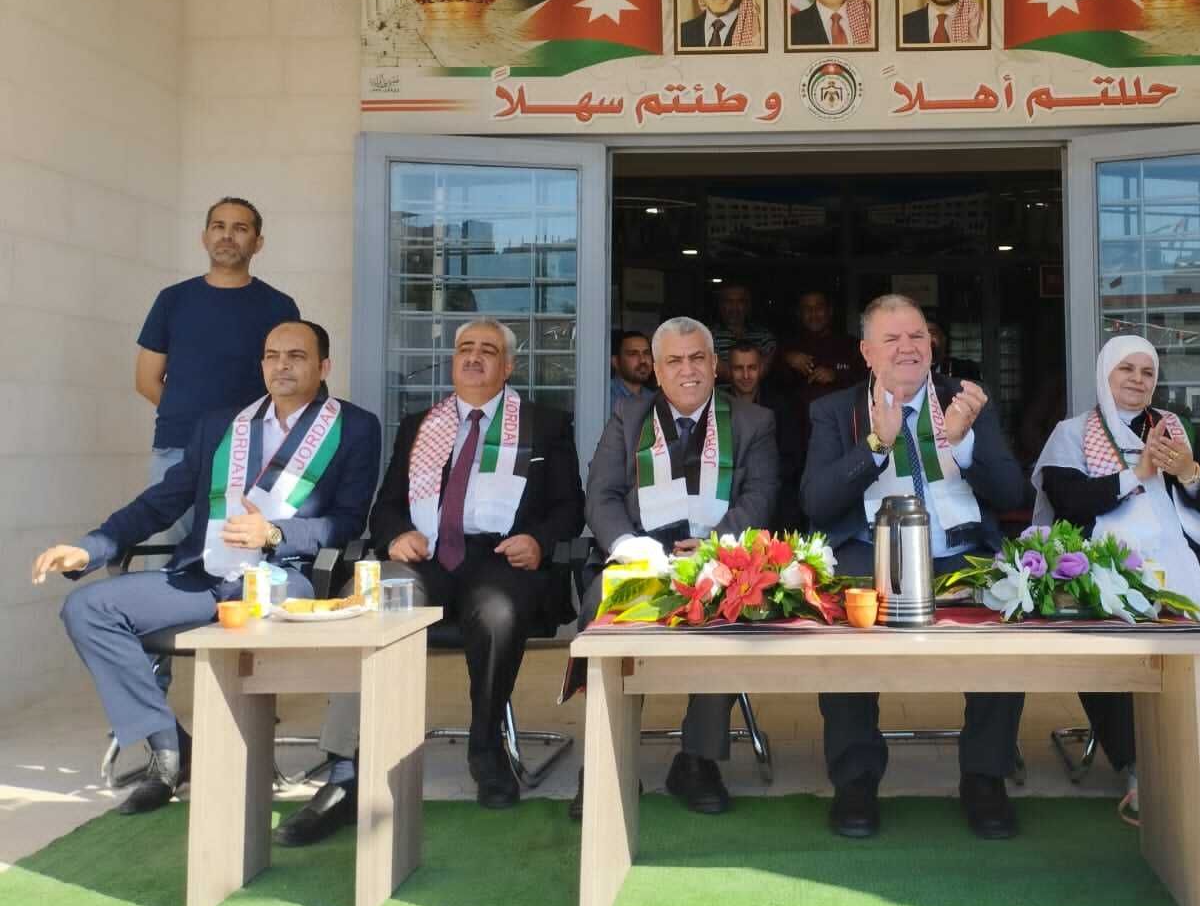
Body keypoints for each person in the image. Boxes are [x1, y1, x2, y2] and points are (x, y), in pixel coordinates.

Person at [32, 321, 379, 815]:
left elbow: (346, 522)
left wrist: (273, 533)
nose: (282, 365)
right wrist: (90, 549)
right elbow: (161, 502)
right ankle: (170, 749)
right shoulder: (221, 425)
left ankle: (254, 768)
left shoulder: (355, 427)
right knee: (88, 608)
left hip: (282, 577)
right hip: (204, 574)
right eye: (272, 355)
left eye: (297, 356)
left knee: (246, 624)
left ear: (324, 366)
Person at [276, 319, 584, 844]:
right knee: (371, 600)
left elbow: (569, 508)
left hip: (502, 558)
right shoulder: (421, 425)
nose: (474, 358)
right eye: (465, 348)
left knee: (496, 612)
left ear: (508, 367)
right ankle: (347, 769)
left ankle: (486, 746)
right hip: (426, 556)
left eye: (488, 351)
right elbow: (386, 507)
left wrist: (538, 538)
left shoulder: (545, 424)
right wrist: (395, 534)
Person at [801, 294, 1030, 839]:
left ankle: (984, 777)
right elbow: (815, 502)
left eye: (918, 336)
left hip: (960, 555)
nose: (908, 347)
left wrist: (964, 443)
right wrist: (876, 444)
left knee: (1007, 630)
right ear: (866, 352)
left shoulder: (967, 400)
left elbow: (1013, 492)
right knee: (843, 637)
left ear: (932, 344)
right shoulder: (836, 411)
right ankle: (856, 780)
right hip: (870, 557)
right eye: (892, 338)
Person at [1031, 336, 1200, 795]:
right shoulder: (1073, 432)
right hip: (1106, 551)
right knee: (1115, 624)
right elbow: (1068, 501)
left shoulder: (1177, 429)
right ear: (1105, 374)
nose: (1137, 380)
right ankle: (1138, 757)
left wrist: (1188, 472)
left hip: (1184, 545)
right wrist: (1135, 475)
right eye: (1126, 369)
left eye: (1147, 372)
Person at [578, 316, 779, 817]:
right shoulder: (628, 416)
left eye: (696, 359)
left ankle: (697, 761)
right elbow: (601, 494)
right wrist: (628, 545)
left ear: (715, 365)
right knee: (601, 604)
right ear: (656, 369)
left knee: (731, 607)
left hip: (717, 558)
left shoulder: (753, 422)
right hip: (640, 557)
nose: (687, 370)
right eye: (674, 361)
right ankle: (605, 760)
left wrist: (714, 548)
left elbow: (759, 498)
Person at [135, 198, 299, 558]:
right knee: (162, 557)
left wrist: (234, 430)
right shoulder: (173, 300)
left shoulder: (279, 307)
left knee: (236, 561)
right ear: (204, 237)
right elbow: (146, 379)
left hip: (252, 455)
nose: (227, 235)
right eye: (218, 226)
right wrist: (196, 419)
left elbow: (291, 383)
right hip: (177, 450)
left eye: (240, 228)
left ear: (257, 243)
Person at [727, 340, 806, 531]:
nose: (746, 375)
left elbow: (793, 458)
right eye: (738, 368)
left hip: (774, 495)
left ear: (761, 368)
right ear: (728, 370)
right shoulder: (717, 406)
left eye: (752, 368)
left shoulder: (781, 406)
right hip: (725, 494)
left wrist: (760, 477)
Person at [777, 289, 862, 410]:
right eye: (807, 308)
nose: (813, 313)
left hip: (841, 417)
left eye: (819, 307)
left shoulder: (850, 344)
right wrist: (786, 359)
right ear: (799, 314)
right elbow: (772, 384)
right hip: (799, 418)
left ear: (830, 311)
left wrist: (836, 375)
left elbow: (867, 381)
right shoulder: (789, 346)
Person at [710, 281, 777, 380]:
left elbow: (761, 373)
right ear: (720, 305)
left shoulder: (764, 337)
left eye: (740, 301)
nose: (734, 307)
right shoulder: (708, 337)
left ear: (748, 305)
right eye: (728, 301)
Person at [927, 316, 983, 383]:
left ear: (943, 338)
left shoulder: (967, 369)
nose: (927, 339)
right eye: (921, 336)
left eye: (932, 333)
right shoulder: (916, 370)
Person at [611, 328, 656, 411]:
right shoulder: (604, 396)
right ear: (616, 362)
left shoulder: (653, 399)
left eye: (646, 353)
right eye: (633, 354)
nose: (643, 360)